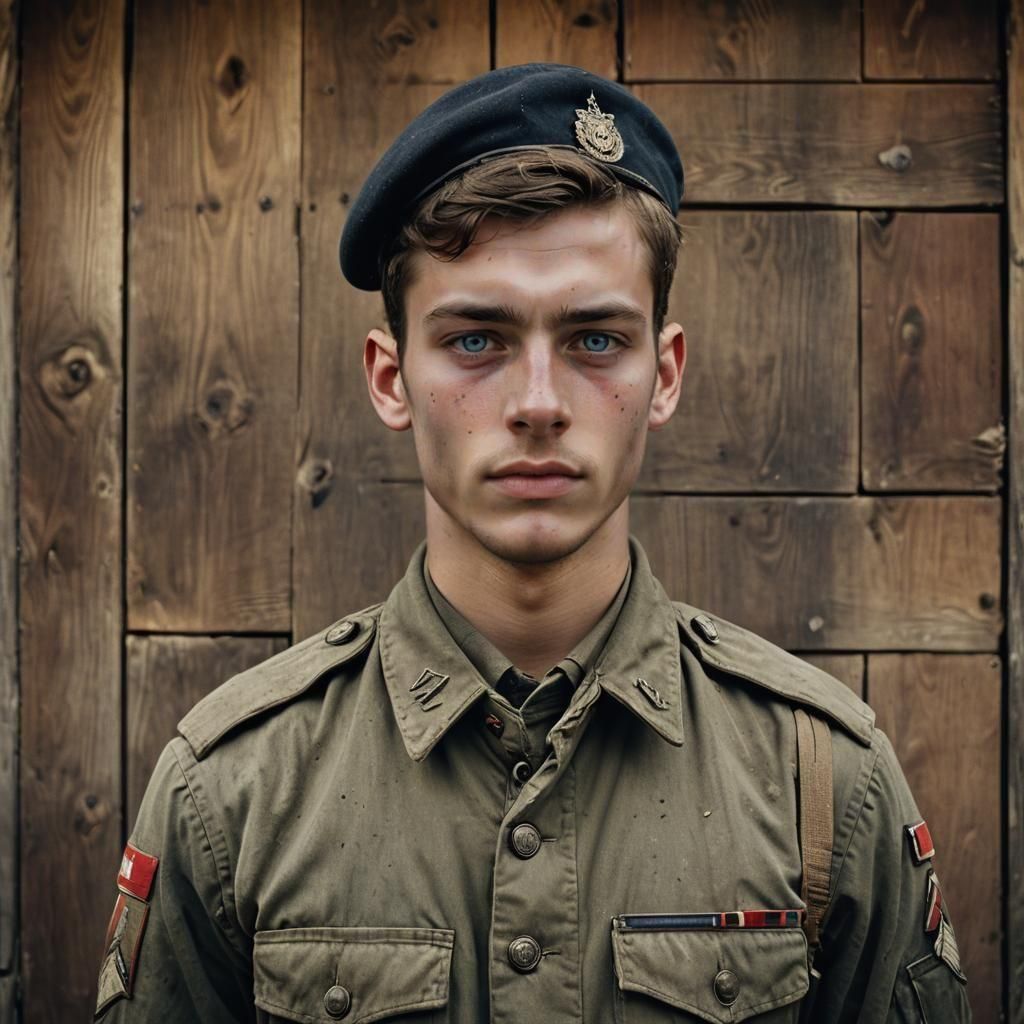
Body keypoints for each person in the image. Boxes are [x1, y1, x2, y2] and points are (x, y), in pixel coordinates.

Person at [93, 63, 971, 1023]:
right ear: (390, 378)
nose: (540, 405)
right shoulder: (231, 791)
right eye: (477, 340)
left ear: (664, 373)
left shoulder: (824, 780)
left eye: (596, 340)